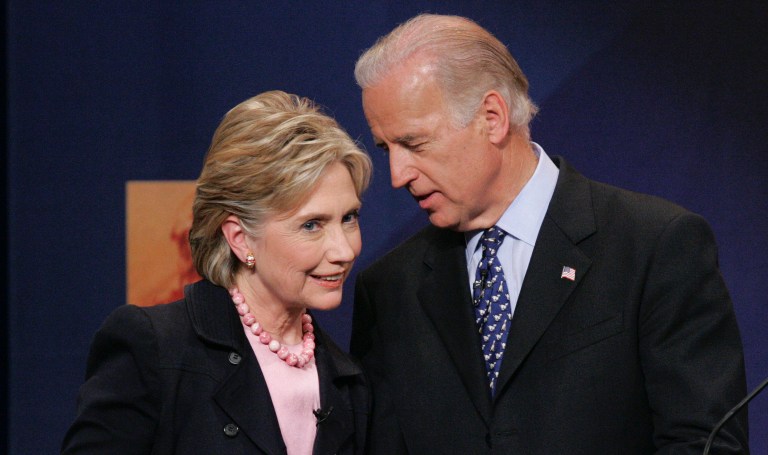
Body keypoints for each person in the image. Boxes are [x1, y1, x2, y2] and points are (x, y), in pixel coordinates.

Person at [350, 14, 749, 454]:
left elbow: (704, 443)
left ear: (492, 117)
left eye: (415, 143)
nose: (397, 175)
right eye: (387, 149)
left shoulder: (654, 246)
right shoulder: (388, 290)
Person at [62, 90, 372, 454]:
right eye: (312, 225)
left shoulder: (349, 381)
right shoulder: (155, 349)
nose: (344, 249)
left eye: (349, 218)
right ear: (240, 240)